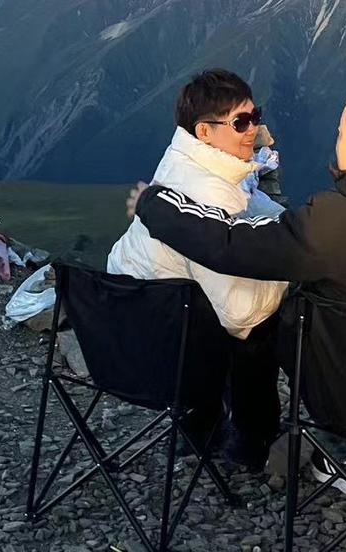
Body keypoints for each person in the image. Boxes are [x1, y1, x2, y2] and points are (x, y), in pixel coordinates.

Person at [130, 84, 346, 497]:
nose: (335, 139)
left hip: (336, 395)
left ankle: (270, 441)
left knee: (256, 327)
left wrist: (156, 206)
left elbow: (230, 246)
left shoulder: (330, 223)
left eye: (339, 132)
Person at [108, 69, 288, 468]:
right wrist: (290, 265)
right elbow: (240, 314)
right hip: (169, 346)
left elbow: (243, 210)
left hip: (123, 320)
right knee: (262, 323)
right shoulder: (209, 190)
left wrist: (278, 222)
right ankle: (252, 441)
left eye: (255, 115)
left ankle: (203, 425)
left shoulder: (184, 160)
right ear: (204, 131)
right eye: (240, 122)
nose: (253, 129)